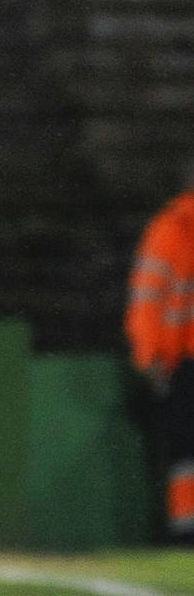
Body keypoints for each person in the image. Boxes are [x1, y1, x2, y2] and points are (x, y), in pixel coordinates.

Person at [125, 163, 194, 544]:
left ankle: (186, 534)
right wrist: (151, 355)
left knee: (186, 455)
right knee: (186, 452)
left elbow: (147, 299)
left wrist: (149, 355)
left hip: (182, 362)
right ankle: (186, 535)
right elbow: (148, 301)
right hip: (185, 362)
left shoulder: (170, 229)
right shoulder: (172, 230)